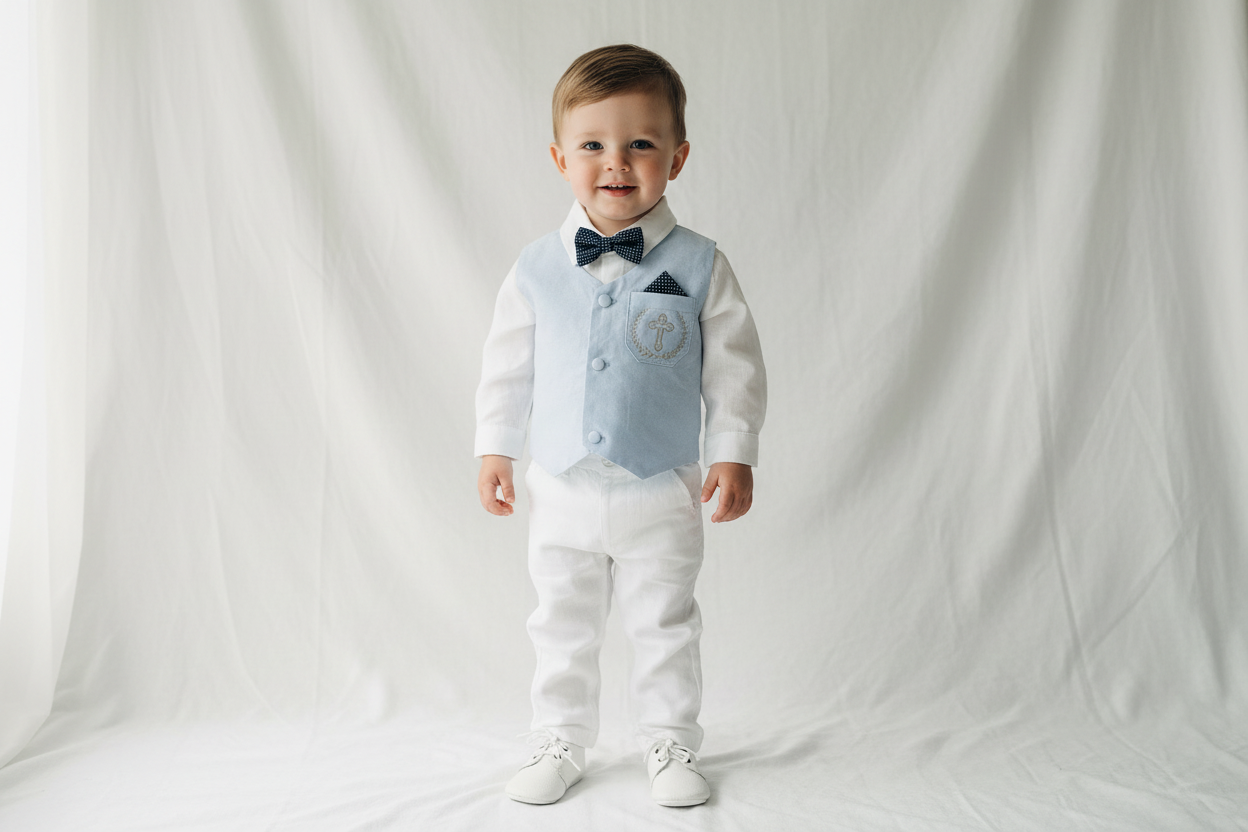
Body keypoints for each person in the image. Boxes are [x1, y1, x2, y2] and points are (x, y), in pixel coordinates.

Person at [474, 43, 767, 807]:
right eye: (593, 145)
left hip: (661, 487)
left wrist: (732, 453)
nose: (617, 162)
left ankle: (670, 743)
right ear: (559, 157)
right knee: (559, 624)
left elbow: (732, 367)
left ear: (677, 156)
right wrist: (494, 447)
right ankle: (559, 737)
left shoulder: (702, 264)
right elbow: (507, 367)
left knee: (666, 623)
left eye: (642, 143)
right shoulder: (536, 267)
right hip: (560, 489)